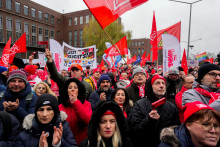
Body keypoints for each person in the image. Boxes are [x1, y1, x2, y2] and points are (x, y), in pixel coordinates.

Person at [128, 75, 180, 147]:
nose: (161, 86)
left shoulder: (171, 107)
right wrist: (149, 120)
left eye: (163, 83)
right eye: (157, 83)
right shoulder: (139, 105)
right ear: (150, 86)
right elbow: (134, 130)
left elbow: (177, 129)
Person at [59, 78, 92, 145]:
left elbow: (88, 120)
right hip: (67, 143)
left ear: (79, 91)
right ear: (66, 91)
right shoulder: (60, 107)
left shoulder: (86, 104)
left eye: (75, 87)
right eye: (70, 87)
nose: (72, 89)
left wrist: (76, 103)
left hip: (83, 143)